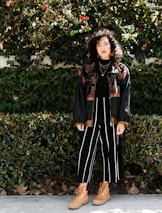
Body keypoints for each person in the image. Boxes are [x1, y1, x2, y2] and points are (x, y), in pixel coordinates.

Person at [69, 28, 131, 209]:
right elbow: (80, 95)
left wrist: (122, 120)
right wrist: (79, 118)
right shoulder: (87, 70)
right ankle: (82, 190)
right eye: (99, 44)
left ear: (112, 48)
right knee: (85, 150)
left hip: (111, 116)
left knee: (110, 150)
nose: (102, 47)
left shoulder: (121, 70)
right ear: (94, 48)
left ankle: (105, 188)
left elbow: (125, 96)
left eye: (105, 44)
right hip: (91, 114)